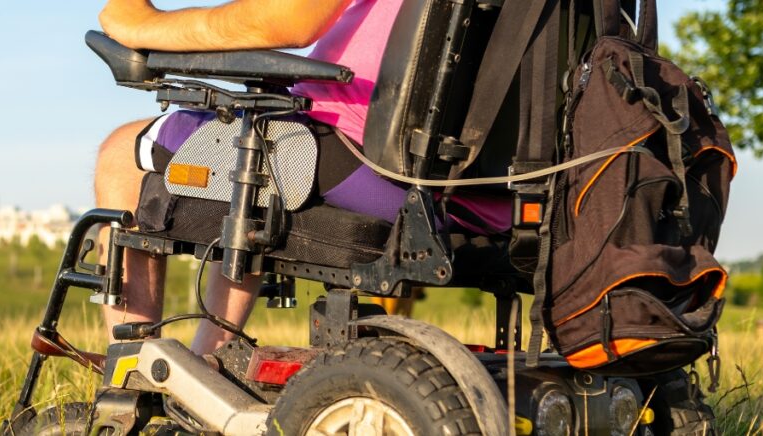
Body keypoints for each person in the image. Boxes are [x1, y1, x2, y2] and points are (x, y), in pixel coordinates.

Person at [93, 0, 510, 356]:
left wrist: (139, 23)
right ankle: (207, 362)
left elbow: (287, 19)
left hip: (370, 154)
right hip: (490, 197)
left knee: (123, 155)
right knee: (262, 135)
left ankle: (133, 376)